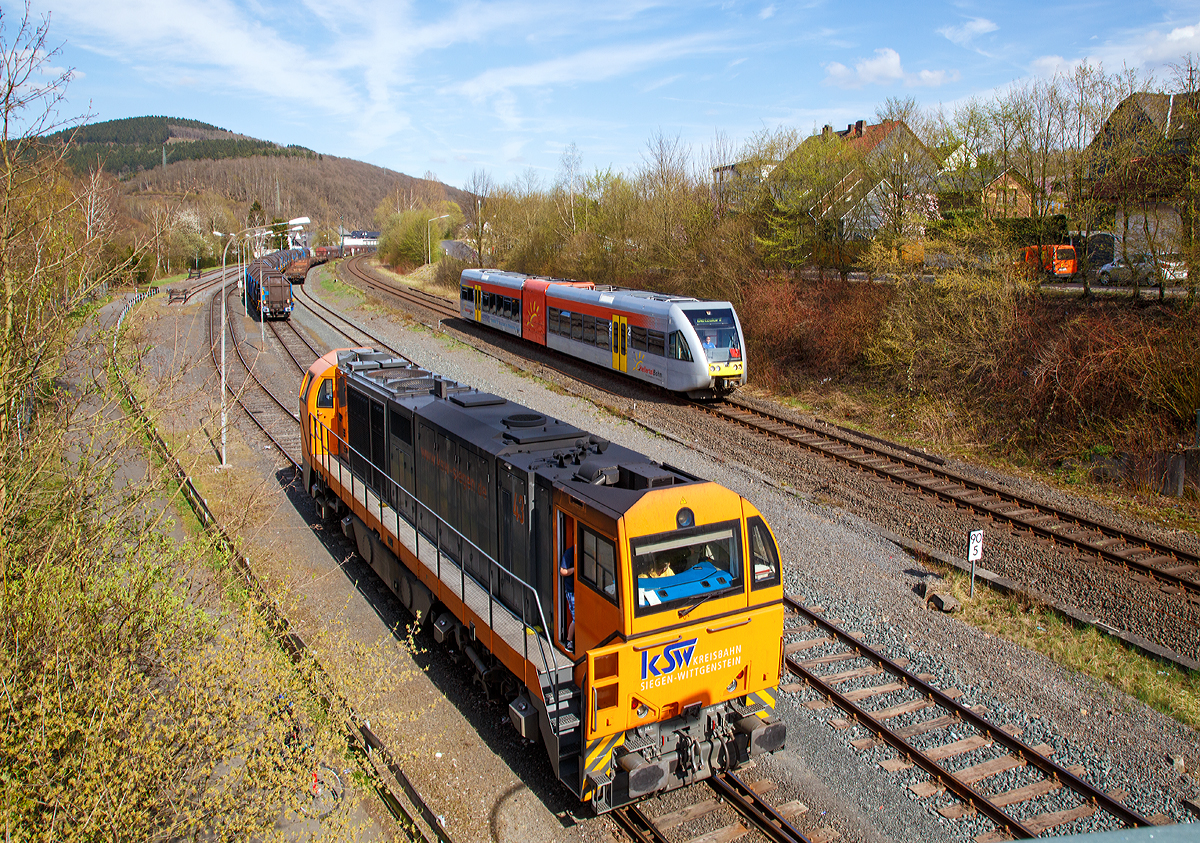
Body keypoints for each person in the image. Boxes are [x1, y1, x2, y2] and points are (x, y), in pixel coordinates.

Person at [559, 546, 575, 651]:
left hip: (579, 590)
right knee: (576, 618)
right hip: (571, 591)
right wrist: (574, 569)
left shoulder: (585, 549)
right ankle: (569, 641)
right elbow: (562, 571)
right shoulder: (569, 553)